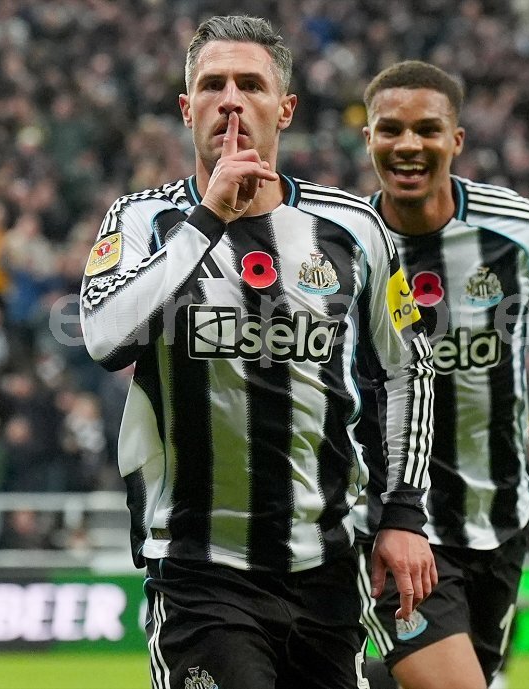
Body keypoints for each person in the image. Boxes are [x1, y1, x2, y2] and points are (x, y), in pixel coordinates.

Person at [79, 17, 437, 689]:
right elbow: (104, 336)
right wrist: (207, 218)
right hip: (197, 571)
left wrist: (403, 512)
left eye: (251, 84)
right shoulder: (142, 221)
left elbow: (408, 368)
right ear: (187, 110)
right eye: (213, 85)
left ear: (286, 108)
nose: (232, 100)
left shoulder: (356, 229)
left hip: (327, 570)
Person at [354, 61, 529, 689]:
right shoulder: (343, 243)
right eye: (390, 130)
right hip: (394, 524)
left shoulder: (526, 231)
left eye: (426, 130)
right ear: (369, 140)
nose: (408, 145)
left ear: (456, 140)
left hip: (500, 521)